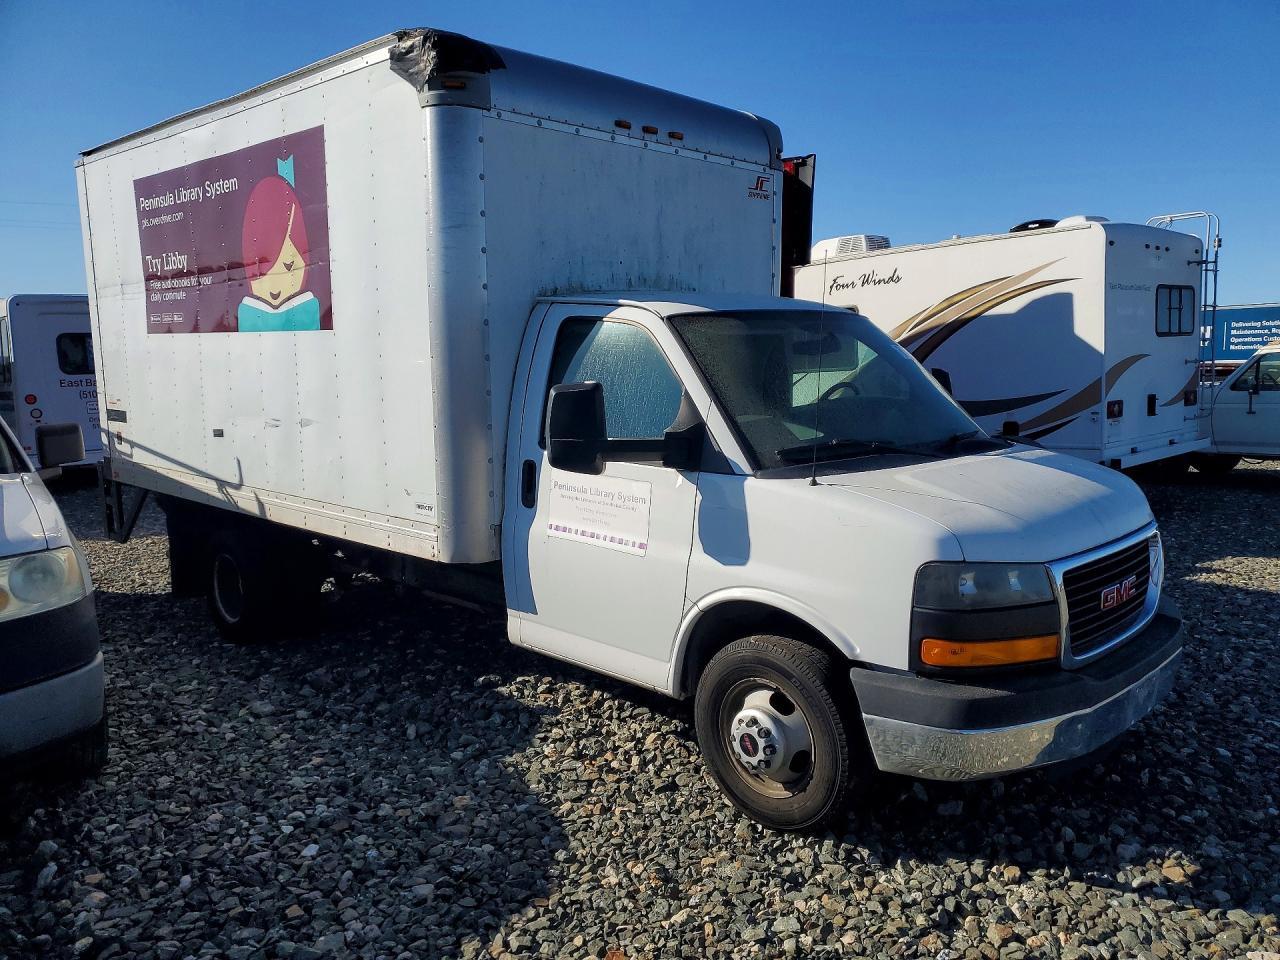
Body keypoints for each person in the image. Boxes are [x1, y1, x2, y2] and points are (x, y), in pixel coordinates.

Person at [237, 156, 321, 332]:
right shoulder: (246, 313)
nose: (274, 287)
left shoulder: (310, 309)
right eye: (260, 272)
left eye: (289, 266)